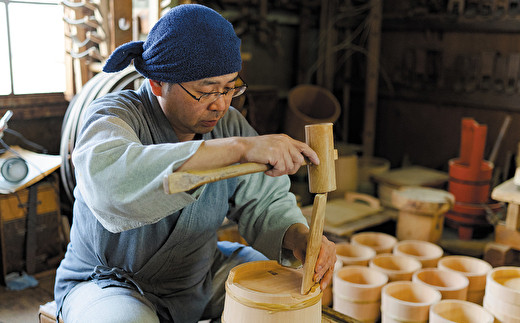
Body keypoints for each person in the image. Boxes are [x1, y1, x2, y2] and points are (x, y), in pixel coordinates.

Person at [54, 4, 336, 323]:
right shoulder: (113, 116)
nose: (221, 104)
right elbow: (110, 183)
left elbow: (265, 202)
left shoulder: (229, 124)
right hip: (111, 285)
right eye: (206, 91)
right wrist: (238, 149)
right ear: (157, 83)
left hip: (198, 278)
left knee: (281, 296)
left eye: (230, 87)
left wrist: (299, 237)